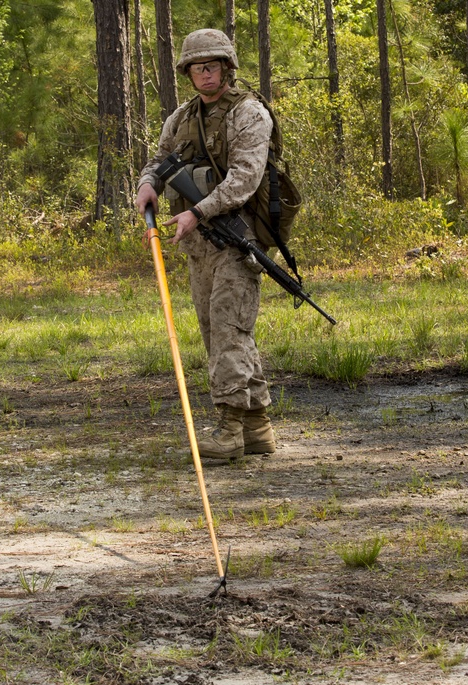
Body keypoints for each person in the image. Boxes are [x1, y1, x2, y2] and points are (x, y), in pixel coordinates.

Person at [134, 28, 275, 465]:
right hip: (199, 247)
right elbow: (159, 160)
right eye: (198, 68)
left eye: (212, 66)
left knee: (229, 331)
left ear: (227, 68)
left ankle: (230, 429)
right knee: (216, 334)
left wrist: (198, 211)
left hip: (238, 239)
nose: (206, 75)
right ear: (188, 73)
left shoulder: (249, 114)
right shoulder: (180, 119)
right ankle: (258, 430)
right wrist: (146, 184)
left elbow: (244, 180)